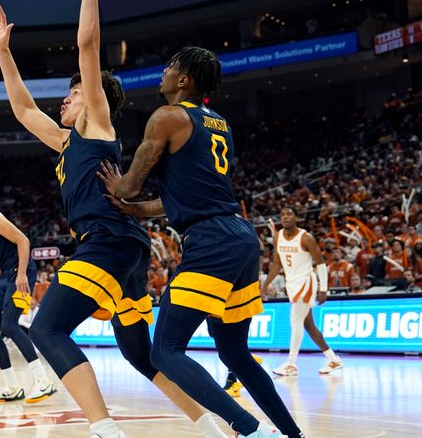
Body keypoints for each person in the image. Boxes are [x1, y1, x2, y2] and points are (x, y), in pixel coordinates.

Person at [0, 0, 228, 438]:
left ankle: (103, 429)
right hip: (126, 246)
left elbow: (88, 43)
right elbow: (24, 107)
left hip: (109, 242)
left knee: (48, 329)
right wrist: (3, 51)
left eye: (72, 95)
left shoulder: (98, 123)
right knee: (141, 354)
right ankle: (210, 424)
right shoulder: (65, 140)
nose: (65, 102)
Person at [98, 46, 302, 436]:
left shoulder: (167, 117)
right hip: (241, 236)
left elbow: (131, 184)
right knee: (235, 353)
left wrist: (119, 189)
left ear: (184, 79)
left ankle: (247, 428)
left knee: (165, 351)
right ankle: (294, 435)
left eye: (170, 67)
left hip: (210, 241)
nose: (163, 72)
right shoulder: (218, 122)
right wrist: (141, 211)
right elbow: (191, 193)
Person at [0, 206, 56, 404]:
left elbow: (23, 240)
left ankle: (43, 381)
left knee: (9, 325)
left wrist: (22, 274)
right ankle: (12, 386)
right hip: (5, 275)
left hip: (20, 272)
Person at [263, 208, 343, 376]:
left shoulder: (306, 238)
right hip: (292, 283)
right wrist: (264, 285)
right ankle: (333, 359)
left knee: (295, 321)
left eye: (289, 214)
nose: (285, 217)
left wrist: (323, 288)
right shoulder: (278, 237)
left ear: (296, 217)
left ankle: (291, 363)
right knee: (308, 325)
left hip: (306, 282)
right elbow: (277, 264)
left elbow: (320, 263)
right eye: (282, 215)